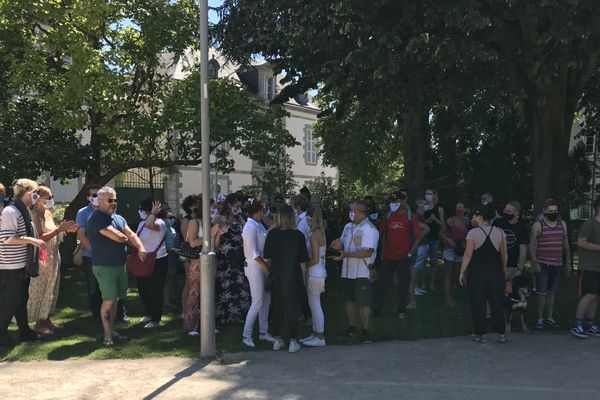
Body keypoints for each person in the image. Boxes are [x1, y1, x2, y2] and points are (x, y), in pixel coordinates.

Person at [86, 186, 146, 347]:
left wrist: (140, 247)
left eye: (115, 200)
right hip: (104, 266)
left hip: (120, 265)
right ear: (100, 201)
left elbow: (130, 234)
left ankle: (112, 330)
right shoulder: (97, 218)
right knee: (109, 300)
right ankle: (107, 336)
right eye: (110, 200)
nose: (114, 203)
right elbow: (119, 237)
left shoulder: (119, 218)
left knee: (116, 300)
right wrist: (126, 239)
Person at [0, 179, 46, 347]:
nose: (36, 196)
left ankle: (24, 331)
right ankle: (2, 333)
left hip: (21, 265)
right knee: (9, 302)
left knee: (21, 299)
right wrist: (33, 241)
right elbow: (7, 239)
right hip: (10, 266)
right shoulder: (11, 211)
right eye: (34, 192)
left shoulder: (23, 210)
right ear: (26, 192)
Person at [28, 185, 78, 336]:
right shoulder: (34, 214)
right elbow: (40, 237)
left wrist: (66, 230)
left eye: (51, 197)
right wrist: (59, 230)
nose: (51, 200)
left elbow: (55, 232)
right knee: (41, 288)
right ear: (37, 199)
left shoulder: (48, 213)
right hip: (42, 256)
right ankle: (39, 322)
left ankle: (47, 318)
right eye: (48, 197)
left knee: (52, 287)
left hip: (54, 254)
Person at [77, 184, 128, 322]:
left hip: (113, 258)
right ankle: (97, 316)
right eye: (93, 195)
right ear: (90, 198)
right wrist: (94, 251)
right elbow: (81, 235)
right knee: (94, 288)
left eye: (114, 200)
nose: (113, 202)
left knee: (115, 291)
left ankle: (119, 314)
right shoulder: (83, 213)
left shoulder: (112, 213)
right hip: (93, 256)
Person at [264, 204, 310, 353]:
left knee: (277, 308)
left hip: (276, 274)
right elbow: (303, 261)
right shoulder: (298, 235)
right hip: (293, 275)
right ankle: (293, 340)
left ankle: (277, 339)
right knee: (292, 309)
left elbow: (267, 257)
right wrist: (304, 277)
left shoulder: (271, 234)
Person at [331, 200, 379, 344]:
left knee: (363, 303)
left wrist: (346, 255)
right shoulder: (348, 226)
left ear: (361, 212)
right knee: (348, 300)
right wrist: (337, 244)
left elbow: (367, 252)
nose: (350, 212)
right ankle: (352, 326)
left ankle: (365, 331)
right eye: (350, 210)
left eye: (353, 210)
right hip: (346, 271)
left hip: (362, 272)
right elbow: (342, 242)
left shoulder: (369, 229)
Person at [459, 205, 508, 344]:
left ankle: (481, 335)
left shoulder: (473, 233)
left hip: (477, 274)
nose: (473, 218)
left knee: (478, 304)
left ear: (480, 217)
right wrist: (503, 269)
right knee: (497, 303)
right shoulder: (500, 232)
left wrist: (462, 272)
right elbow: (504, 254)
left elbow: (468, 255)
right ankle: (502, 334)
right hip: (495, 273)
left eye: (474, 216)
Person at [373, 191, 425, 319]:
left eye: (395, 202)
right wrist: (381, 251)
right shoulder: (388, 215)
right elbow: (382, 234)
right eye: (391, 202)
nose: (393, 204)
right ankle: (376, 309)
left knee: (403, 285)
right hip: (388, 257)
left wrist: (410, 253)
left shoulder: (410, 216)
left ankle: (401, 310)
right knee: (382, 284)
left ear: (402, 202)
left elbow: (418, 237)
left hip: (403, 257)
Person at [530, 198, 572, 329]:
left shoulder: (562, 224)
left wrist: (568, 261)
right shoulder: (538, 225)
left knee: (551, 292)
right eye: (550, 211)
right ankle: (540, 318)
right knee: (541, 292)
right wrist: (534, 262)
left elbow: (565, 244)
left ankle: (549, 317)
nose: (553, 213)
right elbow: (532, 246)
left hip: (557, 263)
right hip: (543, 263)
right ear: (545, 211)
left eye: (555, 211)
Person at [241, 198, 275, 348]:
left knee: (266, 301)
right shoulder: (250, 227)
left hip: (263, 265)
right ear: (258, 211)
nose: (264, 213)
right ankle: (246, 335)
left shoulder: (258, 225)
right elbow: (254, 253)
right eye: (263, 210)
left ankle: (263, 331)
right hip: (255, 267)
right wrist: (266, 266)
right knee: (257, 301)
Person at [215, 194, 250, 327]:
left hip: (239, 256)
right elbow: (215, 240)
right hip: (225, 258)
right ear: (229, 205)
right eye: (237, 206)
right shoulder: (220, 218)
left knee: (240, 285)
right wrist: (219, 233)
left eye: (240, 206)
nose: (239, 208)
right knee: (225, 287)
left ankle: (240, 315)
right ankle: (224, 316)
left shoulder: (242, 218)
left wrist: (242, 221)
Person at [135, 198, 169, 329]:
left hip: (158, 261)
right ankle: (149, 313)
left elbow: (150, 225)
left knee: (155, 290)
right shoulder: (141, 223)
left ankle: (156, 318)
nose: (141, 211)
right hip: (143, 260)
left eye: (143, 209)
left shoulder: (160, 223)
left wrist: (153, 214)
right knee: (143, 289)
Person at [571, 197, 600, 338]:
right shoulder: (589, 224)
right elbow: (581, 243)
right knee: (589, 295)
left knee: (596, 297)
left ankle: (589, 324)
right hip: (589, 267)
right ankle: (577, 324)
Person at [300, 206, 328, 347]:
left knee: (315, 305)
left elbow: (315, 259)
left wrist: (304, 267)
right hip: (318, 271)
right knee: (313, 304)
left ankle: (320, 336)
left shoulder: (314, 234)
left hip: (315, 272)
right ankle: (315, 333)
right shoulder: (320, 232)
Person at [440, 202, 469, 307]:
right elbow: (441, 233)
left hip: (460, 250)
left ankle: (451, 294)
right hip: (449, 249)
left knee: (456, 274)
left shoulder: (466, 222)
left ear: (464, 209)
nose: (459, 209)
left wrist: (465, 243)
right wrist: (449, 240)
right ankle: (447, 299)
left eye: (461, 207)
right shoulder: (450, 220)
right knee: (448, 273)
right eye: (457, 207)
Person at [493, 201, 529, 280]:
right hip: (496, 264)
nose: (506, 212)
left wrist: (520, 269)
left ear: (516, 213)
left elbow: (523, 250)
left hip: (512, 265)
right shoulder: (497, 223)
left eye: (509, 211)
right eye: (505, 210)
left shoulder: (522, 228)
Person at [182, 205, 204, 336]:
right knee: (194, 294)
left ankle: (206, 325)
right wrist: (208, 236)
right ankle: (190, 326)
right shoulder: (194, 222)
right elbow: (192, 243)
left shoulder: (209, 223)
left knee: (206, 295)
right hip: (196, 261)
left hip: (209, 262)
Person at [291, 195, 312, 323]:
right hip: (302, 255)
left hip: (304, 256)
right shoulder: (299, 219)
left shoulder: (304, 220)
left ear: (297, 206)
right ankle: (303, 313)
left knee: (303, 287)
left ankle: (306, 314)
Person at [408, 199, 431, 310]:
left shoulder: (421, 216)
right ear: (418, 205)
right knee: (415, 267)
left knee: (418, 266)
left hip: (422, 245)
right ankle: (414, 287)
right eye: (423, 203)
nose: (425, 205)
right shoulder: (416, 216)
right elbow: (423, 229)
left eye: (426, 204)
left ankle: (416, 286)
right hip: (420, 245)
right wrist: (418, 239)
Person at [423, 189, 445, 292]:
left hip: (435, 238)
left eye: (430, 194)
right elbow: (418, 221)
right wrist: (426, 221)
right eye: (426, 194)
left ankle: (431, 283)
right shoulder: (423, 207)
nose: (428, 195)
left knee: (433, 261)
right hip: (424, 238)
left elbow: (442, 224)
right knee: (422, 262)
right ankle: (422, 283)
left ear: (434, 195)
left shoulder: (439, 209)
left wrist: (435, 219)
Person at [163, 211, 181, 308]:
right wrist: (173, 250)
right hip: (168, 255)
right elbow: (162, 245)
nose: (171, 219)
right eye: (169, 218)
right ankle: (166, 301)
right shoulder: (163, 230)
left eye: (172, 217)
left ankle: (174, 296)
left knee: (174, 277)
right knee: (168, 279)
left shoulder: (172, 229)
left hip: (174, 255)